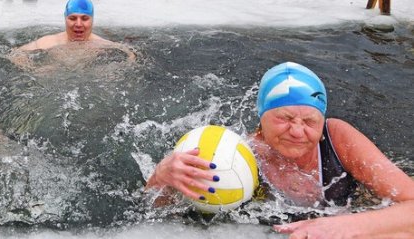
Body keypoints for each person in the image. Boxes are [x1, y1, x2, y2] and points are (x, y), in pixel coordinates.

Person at [146, 62, 414, 238]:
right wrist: (162, 178)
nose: (298, 132)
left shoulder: (337, 137)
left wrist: (345, 227)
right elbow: (158, 218)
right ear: (262, 119)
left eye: (310, 121)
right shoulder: (236, 157)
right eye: (284, 119)